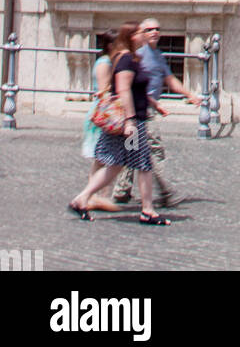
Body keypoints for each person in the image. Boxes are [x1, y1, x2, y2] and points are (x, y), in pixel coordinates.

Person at [68, 21, 170, 225]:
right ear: (133, 36)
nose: (147, 35)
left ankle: (82, 199)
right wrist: (131, 121)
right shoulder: (125, 60)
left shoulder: (133, 58)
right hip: (130, 125)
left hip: (131, 123)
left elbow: (135, 89)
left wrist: (153, 104)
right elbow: (123, 90)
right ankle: (147, 210)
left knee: (117, 165)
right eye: (143, 32)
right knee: (142, 164)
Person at [112, 16, 201, 209]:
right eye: (149, 29)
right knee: (154, 150)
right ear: (141, 35)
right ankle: (166, 192)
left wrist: (189, 95)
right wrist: (153, 105)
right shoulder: (138, 56)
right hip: (141, 110)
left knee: (132, 148)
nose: (154, 32)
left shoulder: (158, 56)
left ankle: (121, 190)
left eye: (157, 29)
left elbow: (170, 79)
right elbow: (132, 86)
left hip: (144, 110)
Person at [80, 28, 121, 212]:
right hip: (104, 115)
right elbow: (104, 90)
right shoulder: (105, 63)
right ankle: (94, 196)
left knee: (104, 158)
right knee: (101, 158)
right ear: (111, 45)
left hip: (106, 114)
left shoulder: (110, 61)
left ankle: (99, 195)